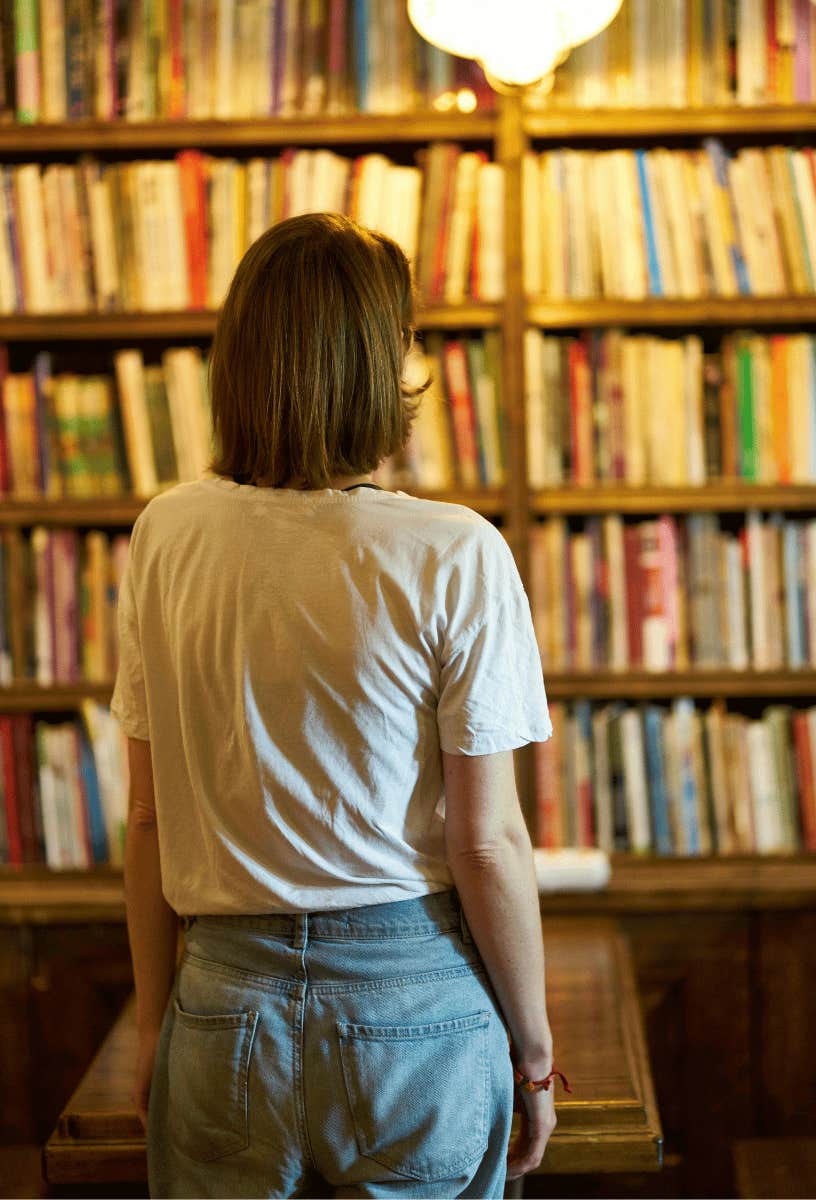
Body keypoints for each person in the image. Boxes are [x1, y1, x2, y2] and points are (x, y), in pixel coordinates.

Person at [112, 212, 562, 1200]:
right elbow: (486, 842)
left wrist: (155, 1030)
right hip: (414, 1003)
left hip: (221, 1001)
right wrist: (533, 1057)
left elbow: (147, 816)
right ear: (376, 366)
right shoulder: (453, 551)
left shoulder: (167, 534)